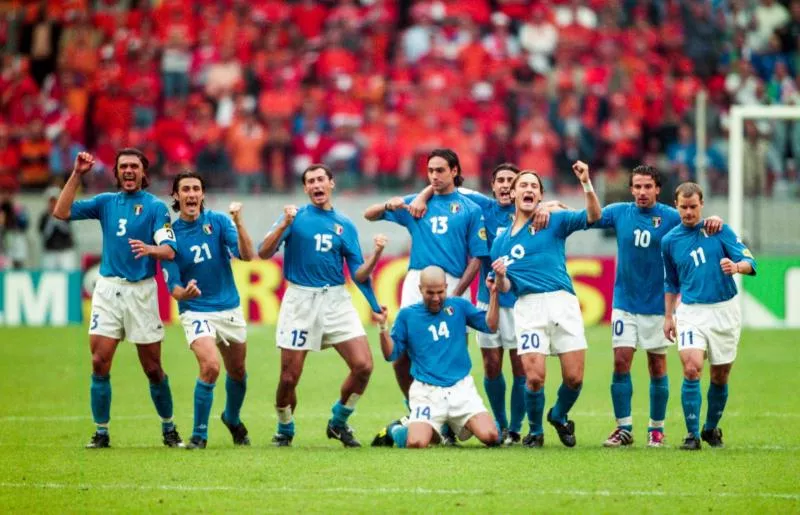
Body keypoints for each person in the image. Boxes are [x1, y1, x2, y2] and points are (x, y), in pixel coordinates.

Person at [406, 162, 564, 445]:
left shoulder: (532, 213)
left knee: (519, 368)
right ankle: (501, 424)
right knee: (491, 366)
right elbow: (444, 185)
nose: (505, 185)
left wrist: (547, 205)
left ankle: (515, 427)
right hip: (487, 299)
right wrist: (421, 195)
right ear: (492, 187)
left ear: (518, 189)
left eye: (511, 181)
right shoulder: (481, 206)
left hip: (518, 301)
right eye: (500, 180)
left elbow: (561, 207)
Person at [53, 149, 183, 449]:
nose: (128, 171)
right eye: (123, 166)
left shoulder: (155, 208)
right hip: (108, 289)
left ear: (143, 172)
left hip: (141, 292)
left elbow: (169, 250)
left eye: (134, 166)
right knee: (99, 362)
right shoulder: (105, 203)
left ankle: (168, 427)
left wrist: (150, 249)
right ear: (116, 172)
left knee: (152, 368)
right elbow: (61, 212)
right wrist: (76, 175)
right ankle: (101, 432)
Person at [587, 165, 722, 448]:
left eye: (647, 186)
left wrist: (714, 221)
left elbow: (696, 223)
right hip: (624, 302)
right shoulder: (619, 211)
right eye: (636, 186)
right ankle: (623, 428)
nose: (641, 192)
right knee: (621, 361)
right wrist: (585, 185)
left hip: (658, 305)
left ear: (657, 189)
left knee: (657, 365)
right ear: (631, 188)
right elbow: (591, 217)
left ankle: (656, 430)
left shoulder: (672, 217)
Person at [259, 163, 384, 448]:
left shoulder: (345, 225)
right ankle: (285, 426)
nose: (316, 186)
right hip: (300, 301)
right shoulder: (294, 218)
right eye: (310, 182)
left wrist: (375, 304)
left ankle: (338, 422)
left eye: (320, 180)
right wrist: (283, 224)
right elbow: (263, 252)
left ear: (331, 184)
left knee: (363, 365)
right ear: (305, 189)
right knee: (289, 378)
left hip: (336, 300)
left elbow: (358, 273)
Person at [363, 149, 488, 405]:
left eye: (440, 170)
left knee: (453, 353)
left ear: (454, 171)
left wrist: (456, 293)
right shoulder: (416, 204)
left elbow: (477, 257)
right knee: (402, 353)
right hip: (416, 283)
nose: (434, 176)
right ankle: (416, 409)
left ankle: (451, 414)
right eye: (430, 170)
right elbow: (369, 214)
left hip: (454, 282)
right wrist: (389, 205)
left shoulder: (470, 209)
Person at [490, 162, 601, 448]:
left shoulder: (554, 220)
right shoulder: (500, 242)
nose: (528, 190)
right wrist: (501, 277)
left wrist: (586, 183)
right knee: (535, 377)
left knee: (574, 379)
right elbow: (506, 287)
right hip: (528, 306)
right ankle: (535, 432)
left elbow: (594, 216)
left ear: (540, 196)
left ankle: (559, 414)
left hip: (563, 303)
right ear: (513, 193)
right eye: (523, 185)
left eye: (534, 187)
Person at [162, 171, 255, 449]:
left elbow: (248, 255)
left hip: (229, 308)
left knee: (237, 371)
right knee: (211, 366)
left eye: (196, 189)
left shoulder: (218, 221)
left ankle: (232, 418)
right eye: (185, 190)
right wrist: (185, 293)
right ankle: (199, 435)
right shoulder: (169, 235)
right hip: (196, 310)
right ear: (176, 196)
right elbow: (173, 287)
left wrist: (239, 222)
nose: (191, 194)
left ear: (202, 194)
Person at [661, 182, 756, 451]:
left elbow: (751, 262)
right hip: (691, 312)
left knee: (720, 376)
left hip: (724, 311)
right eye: (683, 207)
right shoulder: (669, 241)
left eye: (693, 206)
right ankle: (691, 435)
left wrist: (736, 266)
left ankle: (710, 428)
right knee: (691, 368)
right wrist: (668, 316)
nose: (688, 212)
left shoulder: (719, 230)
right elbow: (671, 282)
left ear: (702, 204)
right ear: (676, 206)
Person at [371, 266, 501, 448]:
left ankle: (475, 423)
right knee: (416, 443)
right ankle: (395, 430)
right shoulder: (407, 316)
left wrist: (494, 293)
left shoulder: (459, 306)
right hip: (426, 392)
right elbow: (390, 354)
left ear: (446, 287)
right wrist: (382, 327)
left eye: (440, 292)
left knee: (491, 437)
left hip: (461, 389)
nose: (435, 298)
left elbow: (491, 326)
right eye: (429, 293)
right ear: (420, 289)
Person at [39, 185, 77, 270]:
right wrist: (51, 221)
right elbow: (43, 234)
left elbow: (69, 230)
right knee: (49, 276)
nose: (53, 204)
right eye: (51, 201)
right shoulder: (44, 217)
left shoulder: (68, 213)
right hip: (50, 252)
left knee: (68, 274)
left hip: (65, 251)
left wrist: (59, 219)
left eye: (55, 201)